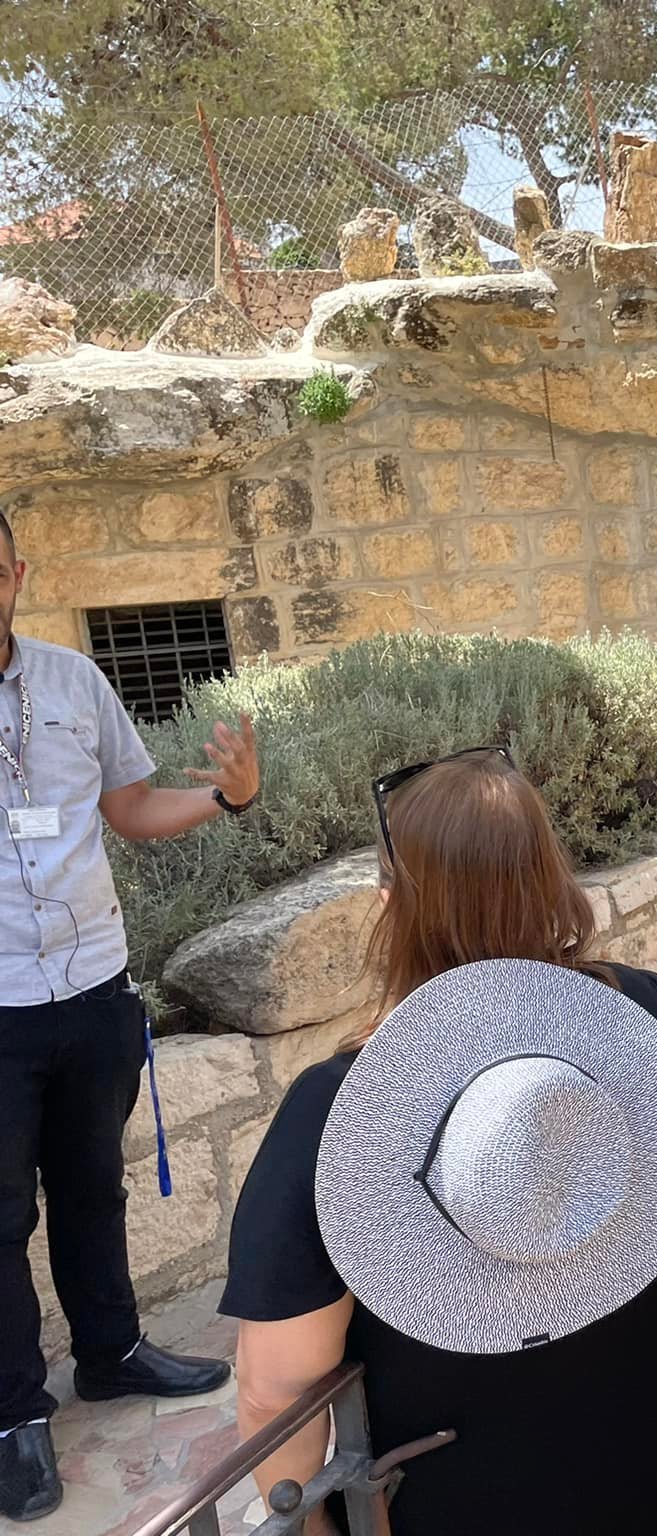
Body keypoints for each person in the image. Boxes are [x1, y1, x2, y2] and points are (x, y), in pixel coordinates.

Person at [220, 748, 657, 1536]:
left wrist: (311, 1525)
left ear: (395, 903)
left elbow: (277, 1389)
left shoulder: (337, 1112)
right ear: (551, 875)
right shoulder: (656, 1019)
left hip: (470, 1494)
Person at [0, 513, 260, 1524]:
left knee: (90, 1190)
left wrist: (229, 801)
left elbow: (132, 806)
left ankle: (109, 1356)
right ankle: (16, 1413)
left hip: (94, 989)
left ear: (15, 573)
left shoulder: (72, 684)